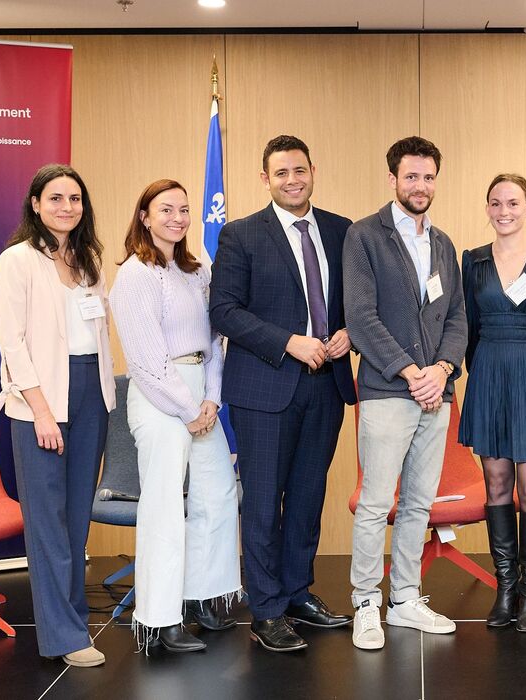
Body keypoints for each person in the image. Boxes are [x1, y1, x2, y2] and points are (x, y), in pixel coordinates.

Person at [209, 135, 356, 653]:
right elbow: (224, 311)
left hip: (326, 385)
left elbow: (357, 302)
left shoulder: (341, 230)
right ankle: (267, 609)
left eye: (299, 170)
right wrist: (289, 342)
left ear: (313, 170)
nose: (292, 180)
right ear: (265, 178)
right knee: (264, 500)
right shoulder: (241, 234)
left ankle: (297, 593)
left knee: (308, 498)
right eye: (281, 173)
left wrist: (350, 333)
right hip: (265, 388)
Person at [344, 136, 467, 650]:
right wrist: (412, 372)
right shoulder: (364, 236)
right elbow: (361, 318)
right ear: (393, 178)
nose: (420, 185)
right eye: (411, 176)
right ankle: (365, 604)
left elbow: (457, 317)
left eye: (428, 177)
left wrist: (441, 369)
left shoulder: (442, 244)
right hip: (388, 391)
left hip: (435, 393)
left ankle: (405, 599)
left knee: (418, 503)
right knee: (376, 504)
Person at [109, 179, 241, 654]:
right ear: (144, 216)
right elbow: (145, 359)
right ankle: (160, 620)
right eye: (166, 209)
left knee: (218, 493)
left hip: (202, 393)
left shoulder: (197, 269)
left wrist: (212, 399)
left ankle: (202, 595)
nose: (178, 218)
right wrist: (188, 409)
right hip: (160, 397)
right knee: (164, 505)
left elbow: (216, 340)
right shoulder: (135, 275)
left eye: (184, 209)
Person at [0, 164, 115, 667]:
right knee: (48, 521)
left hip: (91, 395)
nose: (67, 207)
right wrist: (41, 411)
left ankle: (75, 620)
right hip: (40, 400)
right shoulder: (17, 260)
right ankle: (64, 637)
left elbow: (99, 333)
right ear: (36, 205)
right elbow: (12, 343)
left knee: (77, 518)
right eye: (56, 198)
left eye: (75, 199)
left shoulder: (89, 261)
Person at [458, 173, 526, 632]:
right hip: (488, 373)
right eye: (496, 202)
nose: (504, 211)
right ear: (487, 208)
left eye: (513, 202)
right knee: (497, 485)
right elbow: (467, 324)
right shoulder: (473, 261)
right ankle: (506, 588)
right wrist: (483, 369)